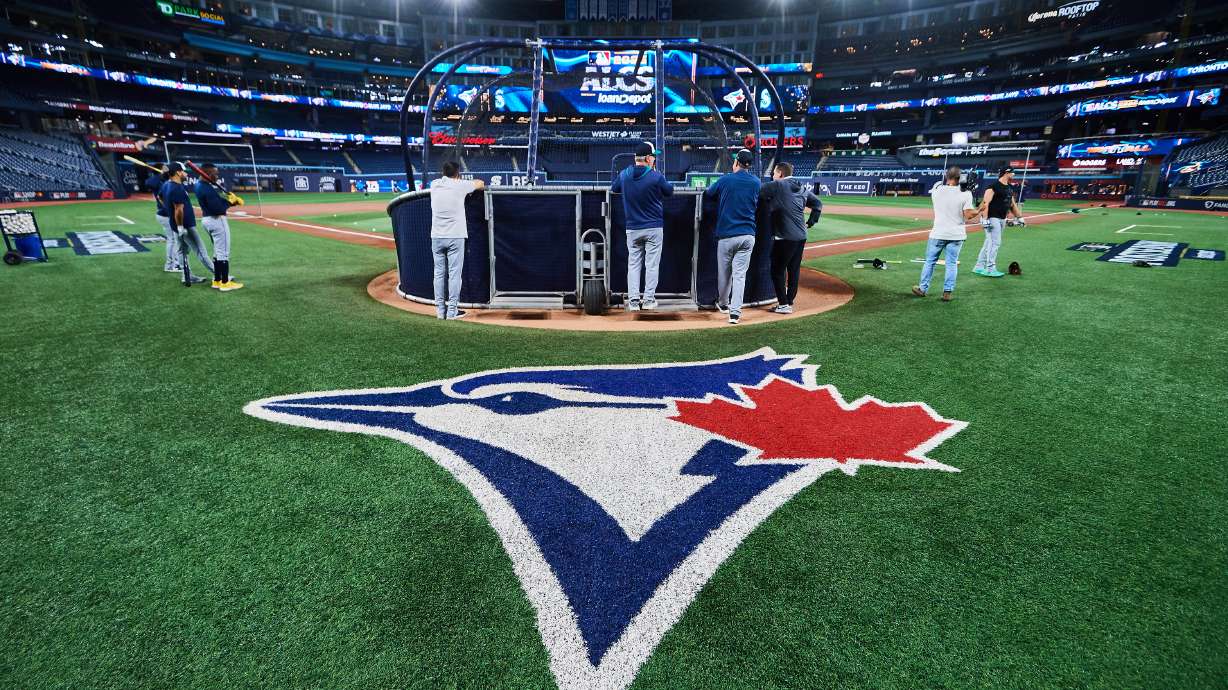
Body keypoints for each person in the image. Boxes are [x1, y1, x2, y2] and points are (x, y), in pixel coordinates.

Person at [610, 141, 673, 311]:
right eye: (653, 156)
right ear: (647, 158)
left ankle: (633, 302)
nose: (654, 159)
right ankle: (648, 300)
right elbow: (669, 191)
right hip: (653, 228)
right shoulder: (656, 176)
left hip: (632, 228)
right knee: (651, 265)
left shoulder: (624, 174)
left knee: (634, 265)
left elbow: (614, 188)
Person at [703, 149, 760, 325]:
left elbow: (708, 193)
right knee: (740, 276)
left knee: (725, 274)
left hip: (727, 235)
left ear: (736, 163)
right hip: (748, 235)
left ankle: (723, 304)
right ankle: (735, 314)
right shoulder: (756, 182)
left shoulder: (726, 179)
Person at [758, 161, 821, 314]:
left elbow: (757, 190)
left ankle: (784, 304)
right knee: (793, 269)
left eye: (774, 173)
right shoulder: (802, 187)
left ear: (780, 173)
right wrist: (810, 222)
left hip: (785, 237)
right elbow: (818, 204)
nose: (772, 176)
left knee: (777, 270)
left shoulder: (778, 185)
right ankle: (789, 301)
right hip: (801, 236)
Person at [913, 166, 980, 302]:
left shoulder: (937, 190)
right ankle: (947, 292)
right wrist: (979, 209)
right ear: (960, 177)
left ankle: (922, 288)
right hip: (956, 235)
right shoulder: (966, 194)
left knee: (930, 262)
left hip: (938, 233)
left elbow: (942, 188)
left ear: (946, 176)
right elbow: (968, 215)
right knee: (951, 264)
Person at [430, 161, 484, 319]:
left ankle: (440, 312)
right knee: (454, 275)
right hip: (455, 236)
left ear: (443, 172)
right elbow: (480, 184)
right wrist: (465, 182)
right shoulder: (460, 185)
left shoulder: (434, 184)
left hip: (437, 236)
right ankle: (452, 311)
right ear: (458, 173)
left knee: (439, 274)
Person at [161, 162, 214, 287]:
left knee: (182, 251)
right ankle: (220, 274)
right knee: (201, 251)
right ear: (178, 172)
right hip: (185, 226)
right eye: (184, 171)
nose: (186, 174)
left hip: (176, 225)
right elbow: (179, 209)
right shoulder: (177, 188)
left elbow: (160, 197)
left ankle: (187, 276)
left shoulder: (166, 185)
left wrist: (170, 212)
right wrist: (180, 226)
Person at [194, 163, 243, 292]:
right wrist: (231, 202)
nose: (217, 176)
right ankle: (225, 283)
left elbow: (216, 203)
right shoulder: (207, 188)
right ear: (209, 174)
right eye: (215, 174)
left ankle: (217, 280)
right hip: (216, 220)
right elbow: (218, 209)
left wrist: (230, 201)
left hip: (207, 220)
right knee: (223, 253)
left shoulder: (201, 186)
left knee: (217, 251)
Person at [975, 166, 1026, 278]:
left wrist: (1019, 217)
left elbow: (1012, 204)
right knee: (995, 243)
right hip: (992, 218)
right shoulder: (993, 186)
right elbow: (985, 203)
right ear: (1006, 173)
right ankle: (990, 269)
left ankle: (979, 266)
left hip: (1002, 218)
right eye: (1012, 172)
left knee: (989, 242)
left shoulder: (1009, 188)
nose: (1013, 174)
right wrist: (984, 218)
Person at [151, 166, 179, 274]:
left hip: (163, 214)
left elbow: (159, 197)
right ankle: (171, 265)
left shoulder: (166, 183)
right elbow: (150, 183)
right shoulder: (163, 183)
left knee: (172, 240)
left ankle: (173, 264)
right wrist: (168, 208)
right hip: (165, 215)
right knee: (173, 240)